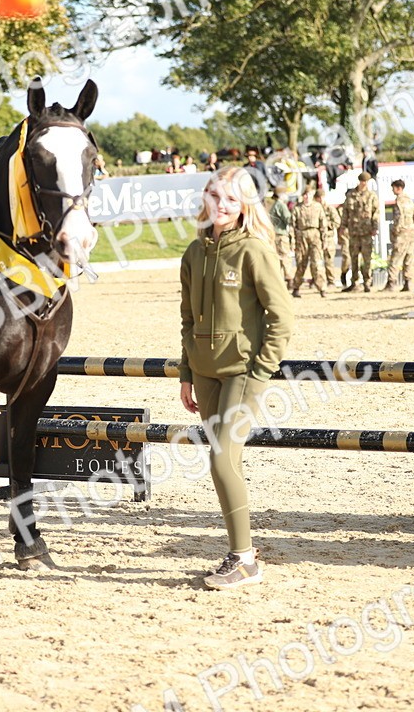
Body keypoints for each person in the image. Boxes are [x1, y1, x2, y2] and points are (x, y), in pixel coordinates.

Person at [179, 165, 294, 589]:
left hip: (243, 373)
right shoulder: (193, 253)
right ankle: (241, 549)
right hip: (204, 375)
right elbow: (187, 318)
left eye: (231, 198)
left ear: (245, 205)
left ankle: (244, 559)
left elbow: (281, 317)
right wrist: (187, 373)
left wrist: (261, 369)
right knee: (225, 461)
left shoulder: (254, 251)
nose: (221, 205)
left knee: (221, 458)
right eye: (215, 196)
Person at [340, 172, 379, 292]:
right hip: (354, 232)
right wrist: (343, 226)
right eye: (362, 181)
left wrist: (375, 227)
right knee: (354, 258)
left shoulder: (371, 196)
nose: (364, 184)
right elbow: (345, 212)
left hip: (366, 232)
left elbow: (375, 212)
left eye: (366, 182)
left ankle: (367, 282)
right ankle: (354, 282)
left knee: (367, 259)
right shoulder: (351, 195)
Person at [290, 185, 327, 298]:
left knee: (317, 264)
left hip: (315, 236)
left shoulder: (318, 207)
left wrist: (324, 239)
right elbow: (292, 226)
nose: (307, 197)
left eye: (309, 194)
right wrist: (292, 241)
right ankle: (296, 287)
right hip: (302, 237)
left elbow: (323, 224)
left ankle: (322, 288)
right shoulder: (297, 208)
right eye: (305, 194)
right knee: (301, 264)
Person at [384, 179, 414, 292]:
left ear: (398, 188)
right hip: (411, 233)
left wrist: (396, 231)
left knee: (395, 259)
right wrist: (413, 229)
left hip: (401, 234)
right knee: (409, 259)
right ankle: (407, 282)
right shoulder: (410, 201)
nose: (392, 190)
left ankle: (391, 283)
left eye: (393, 188)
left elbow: (398, 219)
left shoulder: (399, 202)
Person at [268, 185, 294, 286]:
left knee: (278, 258)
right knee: (285, 257)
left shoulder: (274, 205)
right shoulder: (281, 205)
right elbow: (288, 219)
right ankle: (289, 279)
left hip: (275, 235)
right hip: (281, 235)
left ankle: (278, 279)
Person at [315, 187, 340, 289]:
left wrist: (327, 225)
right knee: (317, 261)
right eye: (318, 198)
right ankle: (318, 281)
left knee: (329, 260)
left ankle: (331, 281)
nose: (320, 200)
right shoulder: (315, 209)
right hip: (317, 238)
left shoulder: (330, 209)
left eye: (321, 197)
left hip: (328, 238)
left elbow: (337, 222)